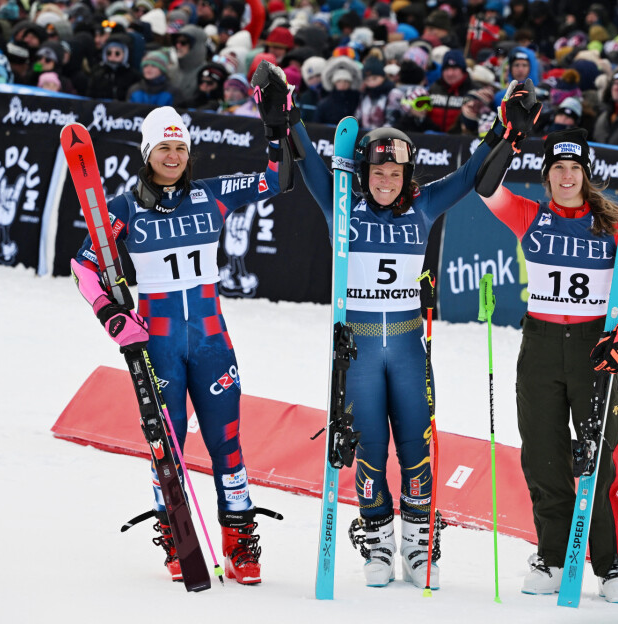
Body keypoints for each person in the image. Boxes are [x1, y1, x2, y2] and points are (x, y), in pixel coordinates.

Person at [289, 83, 534, 591]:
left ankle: (420, 541)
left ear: (406, 176)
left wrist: (502, 129)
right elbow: (309, 160)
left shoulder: (423, 206)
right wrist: (287, 114)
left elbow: (469, 175)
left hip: (405, 346)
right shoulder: (341, 202)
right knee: (369, 447)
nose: (385, 182)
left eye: (394, 174)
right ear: (364, 173)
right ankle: (377, 539)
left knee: (416, 445)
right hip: (356, 349)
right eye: (377, 173)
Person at [70, 97, 293, 585]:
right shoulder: (124, 209)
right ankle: (178, 538)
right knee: (165, 447)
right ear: (146, 152)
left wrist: (277, 129)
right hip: (158, 345)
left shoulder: (211, 194)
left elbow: (276, 178)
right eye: (163, 147)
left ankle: (239, 541)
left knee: (227, 444)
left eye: (180, 147)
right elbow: (83, 266)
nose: (173, 155)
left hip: (212, 342)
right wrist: (111, 315)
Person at [476, 127, 618, 603]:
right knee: (543, 455)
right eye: (557, 167)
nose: (566, 176)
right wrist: (509, 137)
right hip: (538, 345)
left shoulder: (615, 224)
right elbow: (485, 185)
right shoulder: (528, 216)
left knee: (600, 456)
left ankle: (612, 563)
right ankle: (553, 556)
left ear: (586, 173)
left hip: (592, 348)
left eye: (574, 167)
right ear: (547, 173)